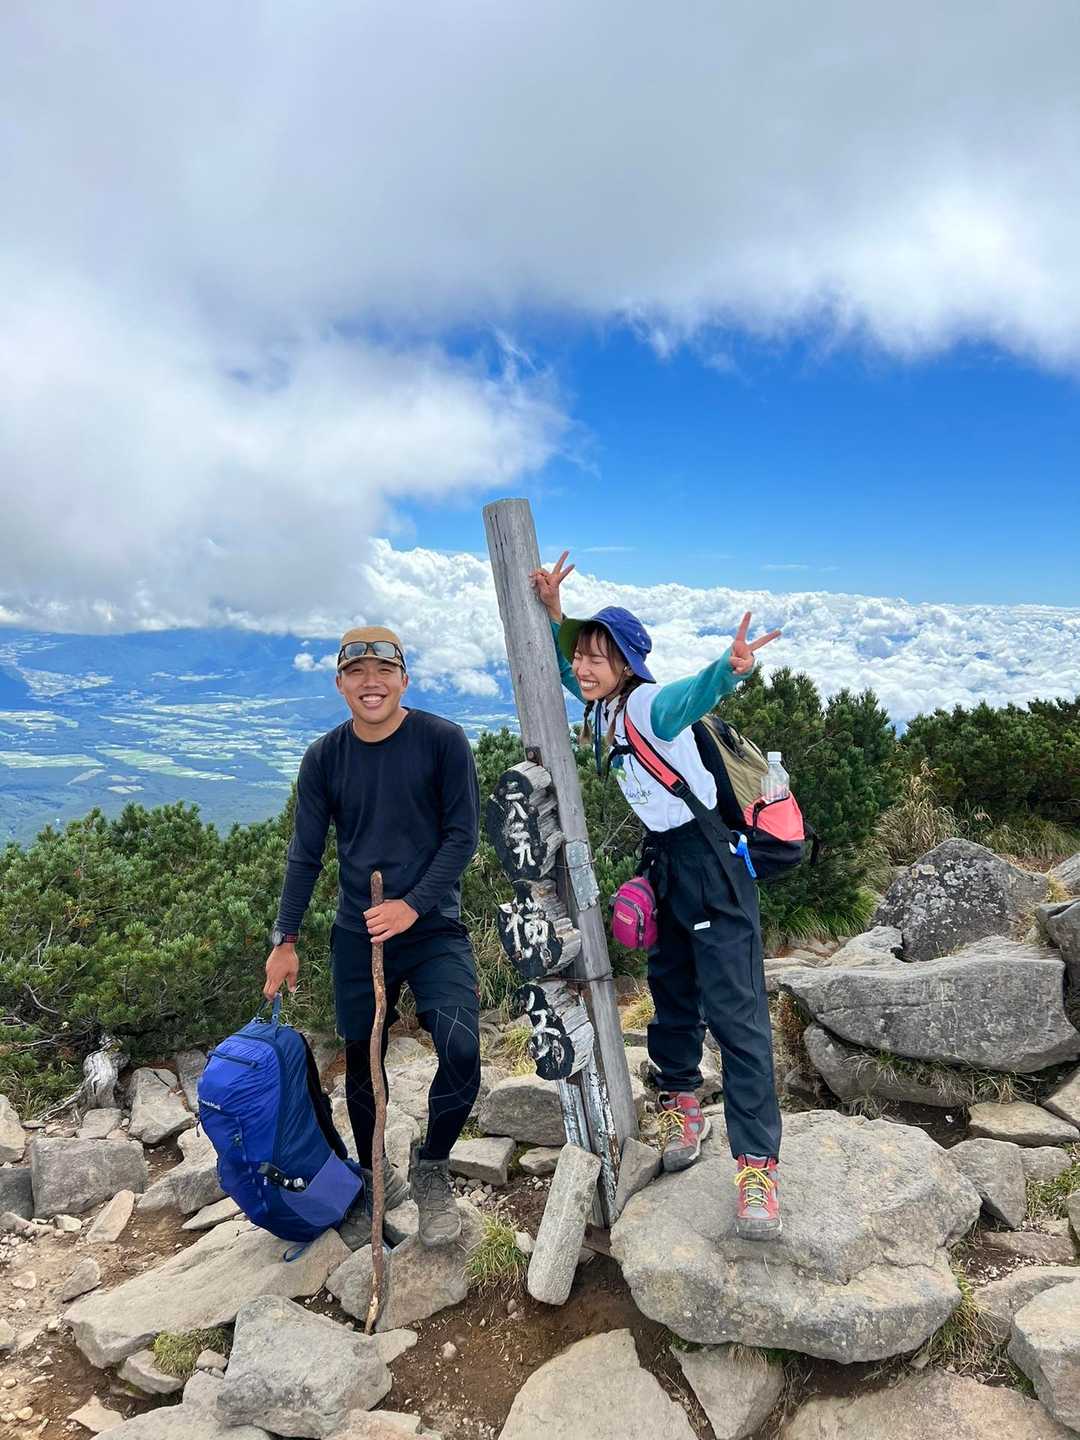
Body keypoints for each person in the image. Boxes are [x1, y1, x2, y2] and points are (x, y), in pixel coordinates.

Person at [530, 553, 785, 1238]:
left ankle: (757, 1167)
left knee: (735, 1014)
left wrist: (729, 669)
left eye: (598, 657)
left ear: (628, 665)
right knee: (670, 987)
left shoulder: (646, 705)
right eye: (582, 655)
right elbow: (569, 676)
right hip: (665, 860)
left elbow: (688, 697)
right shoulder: (604, 708)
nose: (583, 668)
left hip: (711, 866)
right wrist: (555, 617)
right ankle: (682, 1102)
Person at [264, 625, 481, 1247]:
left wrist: (412, 906)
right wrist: (285, 938)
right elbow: (305, 853)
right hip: (359, 934)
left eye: (383, 672)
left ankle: (432, 1165)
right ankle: (370, 1178)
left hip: (432, 926)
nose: (371, 683)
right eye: (356, 673)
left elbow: (461, 838)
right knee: (362, 1063)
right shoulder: (325, 758)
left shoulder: (442, 741)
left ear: (403, 680)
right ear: (340, 685)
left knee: (462, 1048)